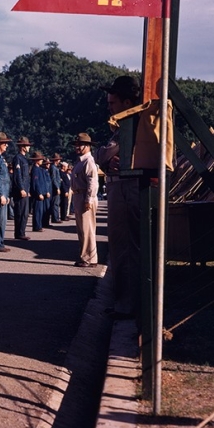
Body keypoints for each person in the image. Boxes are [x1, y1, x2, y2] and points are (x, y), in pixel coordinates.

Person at [96, 75, 143, 320]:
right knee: (121, 247)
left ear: (126, 102)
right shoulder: (125, 125)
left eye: (113, 103)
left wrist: (104, 155)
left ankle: (127, 304)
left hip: (126, 191)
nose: (109, 108)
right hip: (122, 189)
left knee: (125, 247)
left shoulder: (131, 125)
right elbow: (103, 155)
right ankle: (125, 301)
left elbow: (105, 154)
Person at [72, 133, 99, 267]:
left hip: (84, 196)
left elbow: (92, 182)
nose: (77, 147)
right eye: (76, 144)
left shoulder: (88, 161)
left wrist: (89, 199)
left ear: (87, 146)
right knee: (83, 229)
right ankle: (87, 256)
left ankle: (88, 258)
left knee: (87, 228)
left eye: (80, 144)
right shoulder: (81, 161)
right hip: (78, 195)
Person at [11, 136, 32, 241]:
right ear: (23, 147)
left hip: (25, 189)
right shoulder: (18, 158)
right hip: (21, 190)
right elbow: (18, 175)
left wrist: (27, 189)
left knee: (25, 212)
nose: (29, 148)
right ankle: (19, 233)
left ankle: (21, 232)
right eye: (27, 146)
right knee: (20, 211)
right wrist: (21, 188)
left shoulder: (24, 159)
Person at [29, 151, 48, 232]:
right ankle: (36, 226)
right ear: (36, 160)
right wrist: (39, 193)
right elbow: (35, 183)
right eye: (40, 159)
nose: (41, 161)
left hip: (41, 193)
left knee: (40, 210)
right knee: (37, 211)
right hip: (37, 194)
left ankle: (39, 225)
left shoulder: (39, 169)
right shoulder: (35, 169)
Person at [49, 153, 62, 224]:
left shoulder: (54, 167)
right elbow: (53, 179)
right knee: (55, 203)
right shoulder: (53, 168)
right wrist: (57, 187)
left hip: (56, 186)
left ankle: (56, 217)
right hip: (55, 188)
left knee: (56, 203)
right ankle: (55, 218)